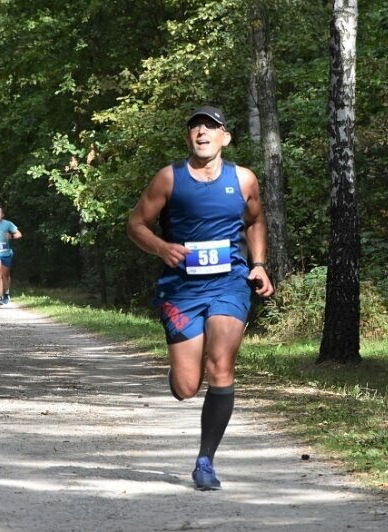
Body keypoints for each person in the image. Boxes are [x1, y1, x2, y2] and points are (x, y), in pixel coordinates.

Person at [126, 105, 274, 491]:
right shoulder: (168, 179)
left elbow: (256, 221)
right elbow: (135, 224)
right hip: (182, 288)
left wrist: (258, 264)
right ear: (188, 137)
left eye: (211, 126)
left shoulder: (243, 180)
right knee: (188, 386)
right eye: (195, 127)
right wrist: (161, 248)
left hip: (230, 281)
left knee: (221, 365)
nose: (202, 132)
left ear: (226, 136)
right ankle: (180, 372)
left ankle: (205, 460)